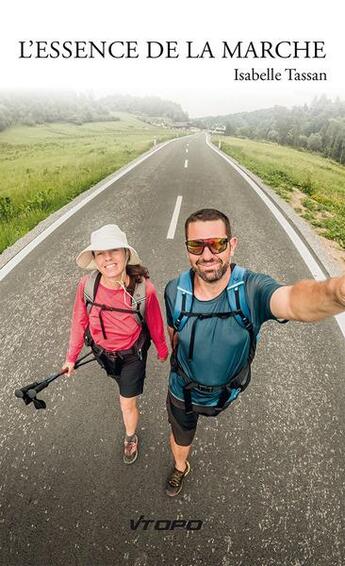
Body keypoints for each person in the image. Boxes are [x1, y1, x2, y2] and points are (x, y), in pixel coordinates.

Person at [164, 208, 345, 496]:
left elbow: (294, 301)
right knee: (180, 435)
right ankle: (180, 467)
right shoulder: (175, 290)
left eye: (218, 244)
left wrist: (337, 293)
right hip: (181, 390)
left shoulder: (252, 289)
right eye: (197, 245)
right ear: (187, 249)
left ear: (232, 245)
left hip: (227, 391)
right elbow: (174, 334)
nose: (207, 255)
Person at [63, 224, 168, 464]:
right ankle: (120, 382)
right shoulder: (87, 286)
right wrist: (71, 357)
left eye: (114, 251)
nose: (108, 258)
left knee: (126, 403)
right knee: (117, 381)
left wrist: (162, 349)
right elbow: (79, 321)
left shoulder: (144, 290)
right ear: (95, 258)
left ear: (126, 254)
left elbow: (155, 323)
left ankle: (130, 436)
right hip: (102, 353)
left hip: (132, 357)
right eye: (100, 253)